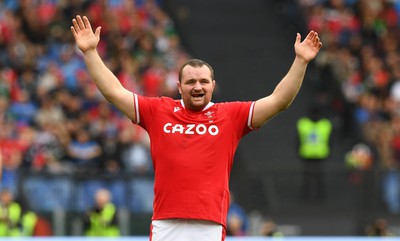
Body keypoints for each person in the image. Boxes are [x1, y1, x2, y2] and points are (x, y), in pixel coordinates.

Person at [71, 15, 322, 241]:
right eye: (190, 81)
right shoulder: (158, 111)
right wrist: (91, 52)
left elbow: (280, 101)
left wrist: (301, 61)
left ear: (213, 85)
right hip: (165, 222)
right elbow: (114, 92)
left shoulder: (230, 115)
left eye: (203, 81)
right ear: (179, 86)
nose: (197, 86)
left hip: (209, 223)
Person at [296, 106, 332, 201]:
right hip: (308, 156)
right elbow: (297, 140)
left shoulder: (325, 124)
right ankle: (307, 198)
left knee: (318, 179)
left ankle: (318, 198)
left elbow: (330, 141)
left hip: (320, 156)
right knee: (307, 179)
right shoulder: (304, 124)